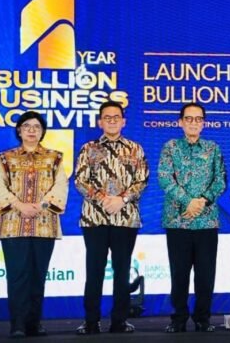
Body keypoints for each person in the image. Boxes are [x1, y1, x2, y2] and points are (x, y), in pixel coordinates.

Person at [0, 111, 68, 338]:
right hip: (13, 225)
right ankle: (18, 325)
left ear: (42, 132)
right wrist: (19, 205)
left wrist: (41, 205)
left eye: (36, 127)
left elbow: (60, 186)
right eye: (27, 126)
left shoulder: (55, 158)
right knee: (17, 276)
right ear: (19, 130)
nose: (32, 130)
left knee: (38, 275)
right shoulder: (6, 158)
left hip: (44, 224)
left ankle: (34, 323)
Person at [74, 100, 149, 334]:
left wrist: (122, 200)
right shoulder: (89, 148)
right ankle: (91, 321)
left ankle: (119, 321)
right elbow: (80, 180)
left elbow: (142, 180)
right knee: (94, 271)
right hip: (94, 219)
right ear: (100, 122)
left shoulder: (135, 149)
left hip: (125, 219)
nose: (112, 121)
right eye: (107, 117)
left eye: (116, 117)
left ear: (124, 121)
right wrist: (103, 200)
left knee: (122, 270)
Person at [158, 103, 226, 333]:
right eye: (189, 118)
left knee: (205, 275)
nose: (193, 123)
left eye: (198, 119)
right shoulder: (170, 147)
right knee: (179, 274)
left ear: (203, 123)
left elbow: (220, 180)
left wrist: (202, 201)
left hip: (206, 221)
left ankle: (202, 318)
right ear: (181, 122)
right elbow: (165, 178)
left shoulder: (213, 148)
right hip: (178, 221)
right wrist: (188, 201)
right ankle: (178, 318)